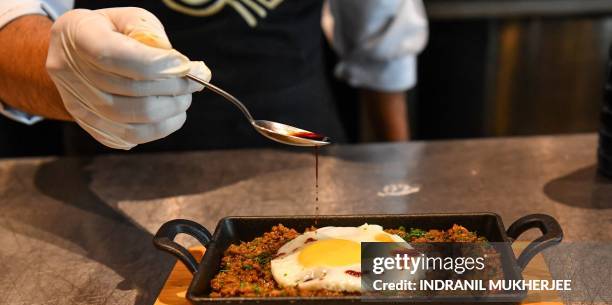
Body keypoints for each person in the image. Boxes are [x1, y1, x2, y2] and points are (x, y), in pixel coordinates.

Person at [0, 0, 428, 153]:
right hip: (118, 166)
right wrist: (80, 78)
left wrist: (396, 175)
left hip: (303, 139)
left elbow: (383, 37)